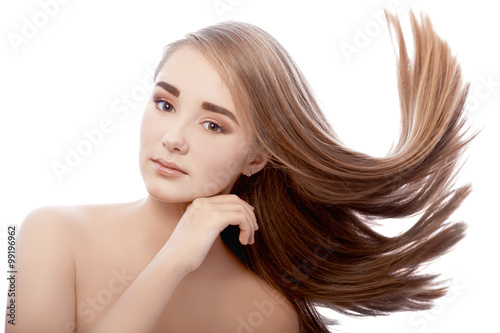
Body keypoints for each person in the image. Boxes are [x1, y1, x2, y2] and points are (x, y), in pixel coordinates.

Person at [7, 10, 473, 333]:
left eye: (213, 124)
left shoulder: (267, 313)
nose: (173, 137)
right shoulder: (50, 233)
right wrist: (172, 261)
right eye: (165, 103)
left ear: (256, 158)